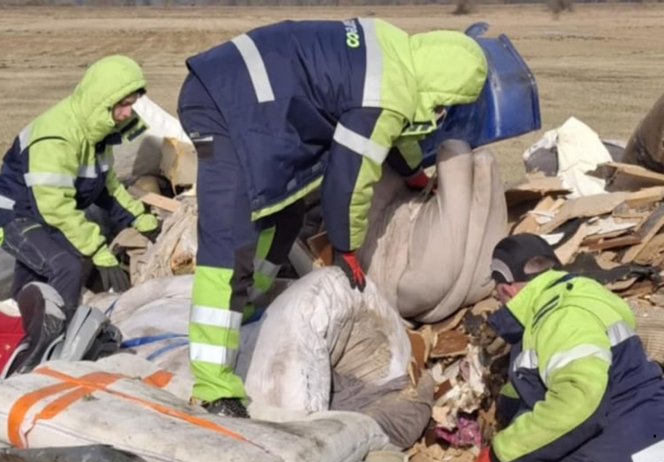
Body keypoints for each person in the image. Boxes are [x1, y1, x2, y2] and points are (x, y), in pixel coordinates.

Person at [177, 18, 489, 417]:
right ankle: (213, 386)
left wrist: (412, 173)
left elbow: (394, 132)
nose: (445, 111)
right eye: (449, 104)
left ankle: (248, 301)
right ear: (442, 89)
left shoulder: (398, 52)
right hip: (221, 104)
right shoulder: (389, 93)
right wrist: (347, 248)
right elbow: (348, 180)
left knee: (285, 217)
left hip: (257, 104)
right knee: (230, 240)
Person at [469, 233, 664, 462]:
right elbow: (530, 391)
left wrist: (501, 453)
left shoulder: (564, 317)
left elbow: (576, 400)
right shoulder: (548, 314)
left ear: (506, 285)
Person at [0, 54, 162, 319]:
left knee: (35, 280)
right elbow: (54, 206)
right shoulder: (57, 136)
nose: (128, 113)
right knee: (65, 266)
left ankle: (19, 323)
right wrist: (97, 249)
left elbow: (108, 187)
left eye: (132, 105)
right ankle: (58, 340)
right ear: (101, 101)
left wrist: (141, 218)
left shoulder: (96, 134)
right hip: (14, 216)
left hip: (42, 215)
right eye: (122, 104)